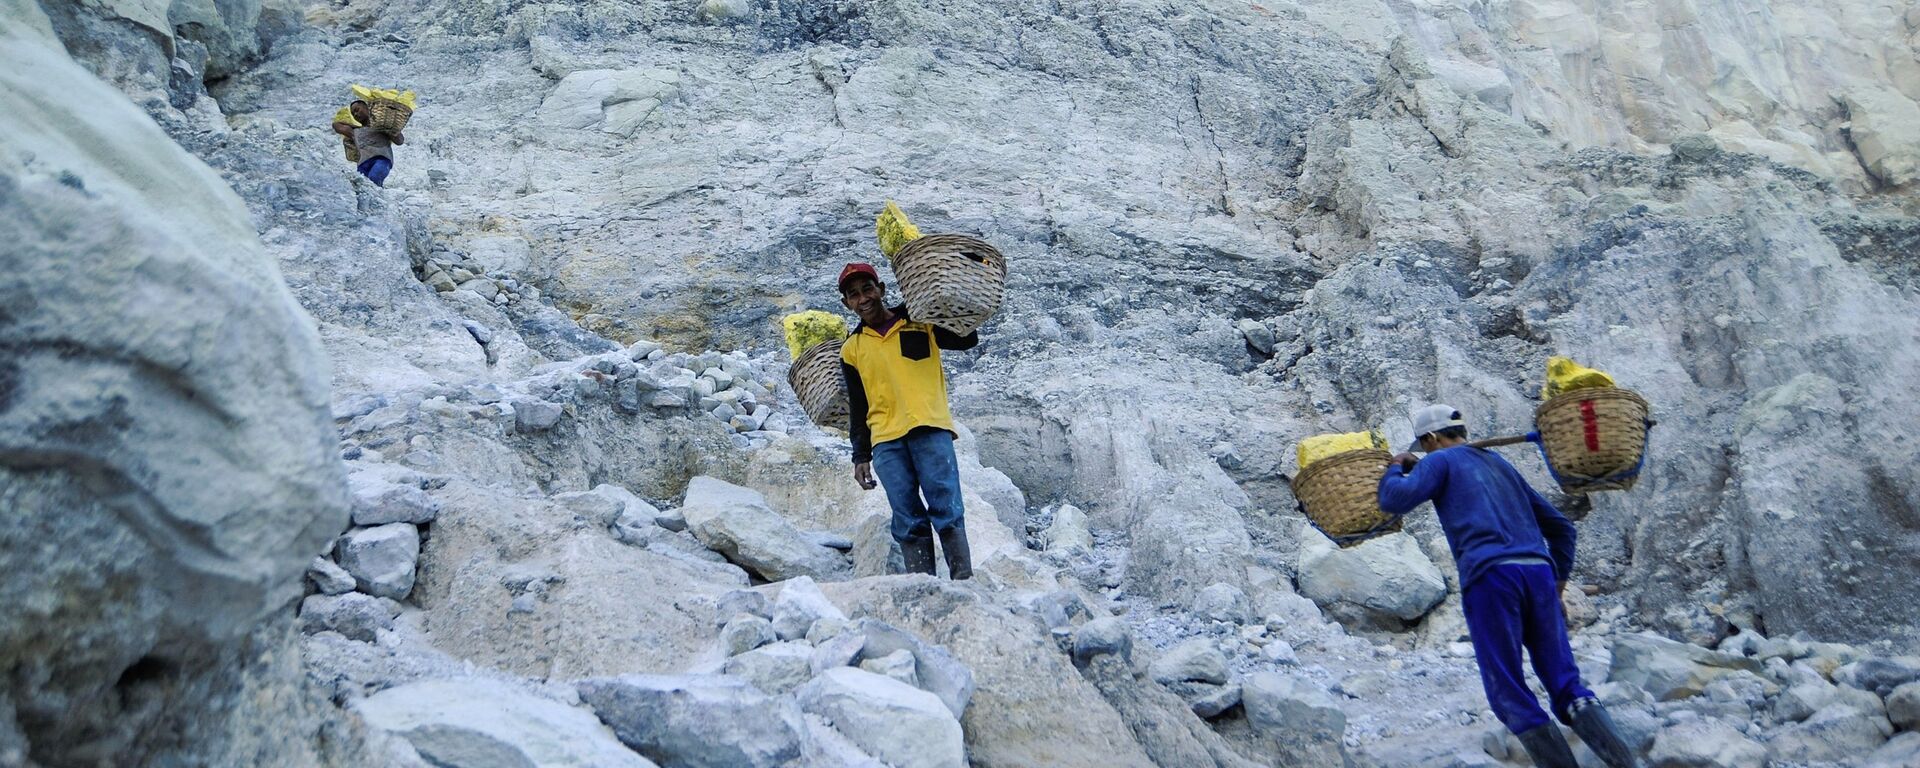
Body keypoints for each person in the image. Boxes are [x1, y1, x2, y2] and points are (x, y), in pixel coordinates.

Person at [1378, 405, 1638, 768]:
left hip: (1491, 577)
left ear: (1431, 439)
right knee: (1567, 685)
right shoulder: (1501, 466)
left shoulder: (1440, 460)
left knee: (1510, 692)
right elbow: (1562, 528)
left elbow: (1392, 499)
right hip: (1539, 574)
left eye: (1423, 446)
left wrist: (1396, 465)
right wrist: (1558, 585)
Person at [837, 262, 979, 579]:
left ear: (882, 289)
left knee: (946, 507)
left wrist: (958, 303)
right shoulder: (851, 349)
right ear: (847, 304)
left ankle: (964, 581)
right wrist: (860, 455)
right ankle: (923, 585)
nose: (863, 299)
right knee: (907, 517)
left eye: (868, 289)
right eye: (854, 294)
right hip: (886, 442)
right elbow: (858, 408)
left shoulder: (919, 320)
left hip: (930, 429)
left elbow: (967, 340)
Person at [331, 100, 403, 187]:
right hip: (362, 165)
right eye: (353, 114)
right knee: (362, 188)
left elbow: (400, 141)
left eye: (357, 110)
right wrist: (360, 127)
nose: (356, 114)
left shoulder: (383, 127)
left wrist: (391, 129)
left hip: (382, 160)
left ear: (368, 108)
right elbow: (336, 125)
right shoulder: (355, 132)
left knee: (374, 179)